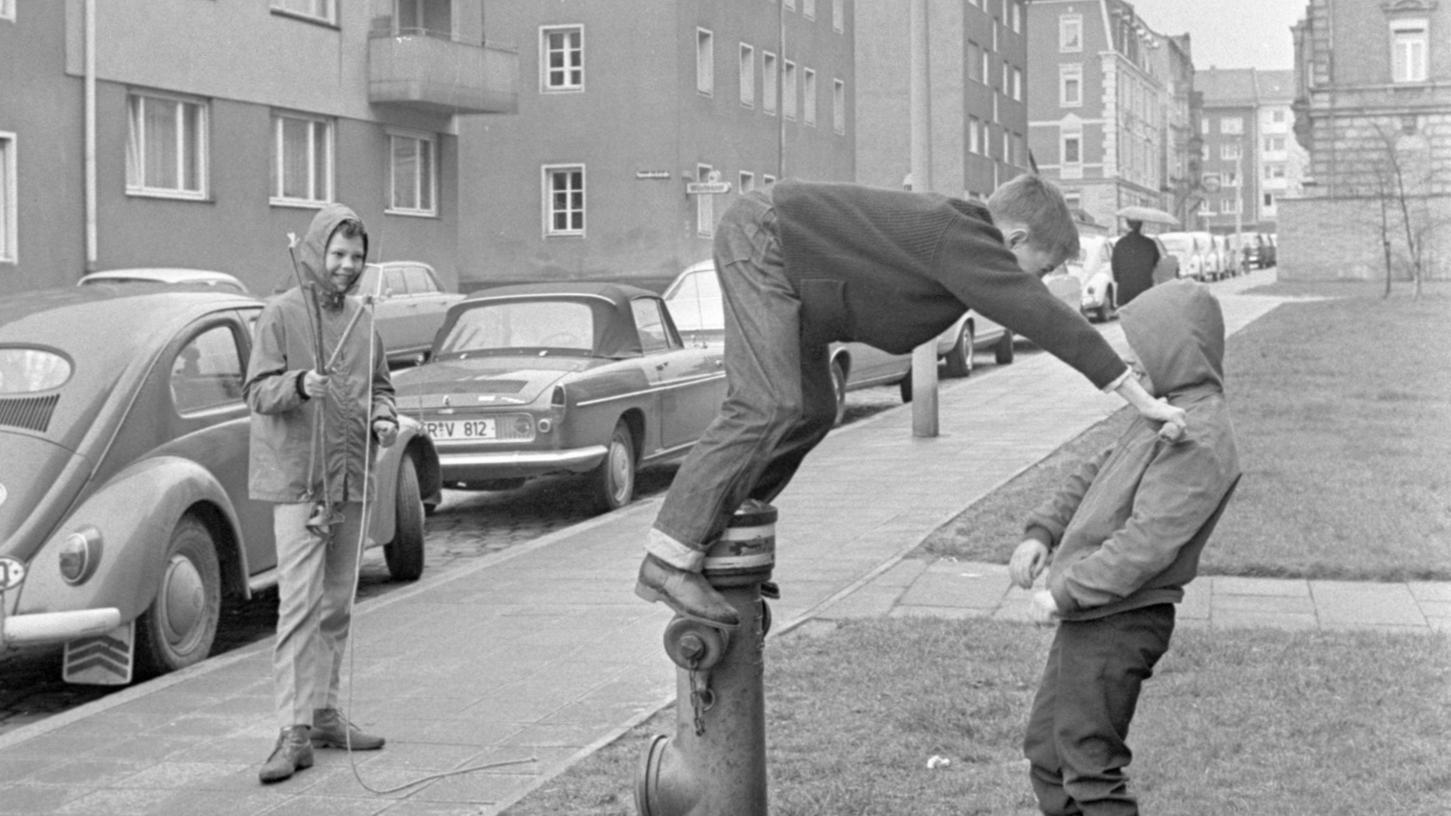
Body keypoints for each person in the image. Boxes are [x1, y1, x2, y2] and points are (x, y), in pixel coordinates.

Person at [636, 175, 1188, 630]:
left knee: (813, 408)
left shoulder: (959, 243)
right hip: (764, 241)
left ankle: (727, 534)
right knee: (767, 404)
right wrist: (1141, 399)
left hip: (794, 267)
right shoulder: (965, 237)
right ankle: (669, 557)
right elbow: (1043, 317)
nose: (1036, 283)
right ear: (1014, 240)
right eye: (1040, 270)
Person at [1008, 279, 1241, 816]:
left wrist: (1065, 593)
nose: (1131, 368)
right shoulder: (1159, 410)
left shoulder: (1199, 436)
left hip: (1122, 620)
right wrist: (1042, 530)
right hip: (1092, 614)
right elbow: (1095, 470)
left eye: (1141, 355)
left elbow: (1146, 543)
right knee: (1048, 751)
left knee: (1089, 764)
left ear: (1175, 352)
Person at [245, 204, 399, 784]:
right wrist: (299, 385)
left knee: (337, 604)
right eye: (337, 255)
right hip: (300, 481)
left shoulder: (364, 319)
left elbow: (381, 388)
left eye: (356, 257)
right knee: (300, 607)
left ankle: (326, 713)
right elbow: (257, 391)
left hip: (351, 477)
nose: (346, 266)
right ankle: (292, 731)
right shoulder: (281, 313)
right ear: (315, 252)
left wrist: (384, 419)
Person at [1110, 219, 1160, 306]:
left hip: (1125, 290)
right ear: (1141, 225)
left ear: (1128, 224)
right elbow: (1156, 262)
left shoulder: (1120, 244)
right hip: (1144, 288)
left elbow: (1115, 268)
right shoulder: (1150, 244)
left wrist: (1121, 279)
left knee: (1126, 317)